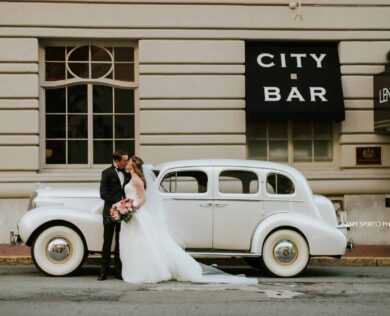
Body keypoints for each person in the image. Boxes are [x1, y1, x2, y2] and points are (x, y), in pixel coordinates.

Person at [120, 156, 257, 284]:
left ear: (134, 165)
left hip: (136, 211)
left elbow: (144, 198)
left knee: (144, 242)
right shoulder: (131, 178)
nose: (127, 162)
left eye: (129, 161)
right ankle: (140, 270)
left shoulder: (137, 180)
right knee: (137, 242)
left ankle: (152, 271)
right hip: (133, 213)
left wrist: (133, 207)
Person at [98, 150, 131, 281]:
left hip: (124, 212)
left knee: (120, 241)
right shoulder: (106, 173)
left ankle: (119, 271)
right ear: (117, 161)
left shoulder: (127, 174)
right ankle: (103, 271)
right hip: (110, 212)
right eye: (124, 160)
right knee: (107, 241)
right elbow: (103, 194)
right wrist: (118, 204)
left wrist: (126, 206)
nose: (127, 162)